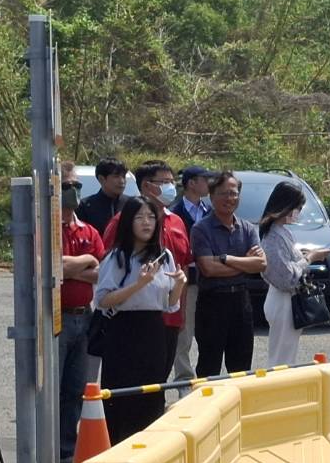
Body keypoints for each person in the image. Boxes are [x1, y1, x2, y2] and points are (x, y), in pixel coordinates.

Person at [94, 197, 186, 443]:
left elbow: (170, 303)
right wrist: (139, 284)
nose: (147, 223)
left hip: (154, 329)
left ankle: (149, 446)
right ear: (128, 222)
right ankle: (117, 444)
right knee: (122, 393)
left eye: (151, 217)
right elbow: (103, 300)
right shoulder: (117, 257)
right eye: (140, 217)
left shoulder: (163, 255)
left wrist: (179, 284)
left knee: (152, 391)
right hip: (123, 329)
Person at [101, 160, 192, 380]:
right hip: (126, 326)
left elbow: (181, 273)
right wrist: (139, 284)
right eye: (164, 182)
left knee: (157, 384)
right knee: (127, 387)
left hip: (164, 322)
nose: (171, 187)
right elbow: (103, 293)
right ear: (146, 185)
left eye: (172, 182)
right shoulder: (119, 231)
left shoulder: (176, 224)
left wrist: (180, 298)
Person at [190, 171, 265, 377]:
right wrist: (245, 263)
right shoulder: (201, 229)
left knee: (241, 366)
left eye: (233, 193)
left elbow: (261, 264)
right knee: (209, 365)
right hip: (212, 303)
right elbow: (208, 268)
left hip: (241, 301)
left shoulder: (248, 228)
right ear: (212, 196)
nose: (229, 198)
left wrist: (227, 259)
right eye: (223, 193)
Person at [58, 167, 104, 463]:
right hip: (56, 319)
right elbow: (52, 267)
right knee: (52, 389)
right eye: (66, 185)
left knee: (76, 389)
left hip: (83, 316)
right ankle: (48, 451)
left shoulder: (88, 230)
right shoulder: (46, 228)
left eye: (76, 185)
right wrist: (85, 261)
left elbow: (100, 271)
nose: (73, 191)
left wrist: (71, 267)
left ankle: (66, 451)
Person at [258, 181, 330, 368]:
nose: (298, 212)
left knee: (288, 353)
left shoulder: (283, 232)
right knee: (280, 357)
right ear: (286, 206)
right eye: (297, 208)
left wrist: (303, 256)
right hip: (282, 299)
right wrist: (310, 258)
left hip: (288, 300)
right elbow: (286, 277)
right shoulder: (273, 236)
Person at [170, 165, 217, 383]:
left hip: (210, 280)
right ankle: (184, 379)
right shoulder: (174, 213)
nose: (209, 184)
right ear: (191, 183)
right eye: (205, 179)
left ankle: (207, 377)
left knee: (208, 332)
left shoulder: (211, 211)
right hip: (186, 281)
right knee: (184, 334)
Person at [76, 157, 129, 231]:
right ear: (101, 179)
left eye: (124, 176)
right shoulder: (85, 207)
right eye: (116, 176)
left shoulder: (130, 204)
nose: (122, 181)